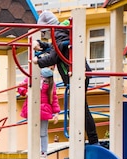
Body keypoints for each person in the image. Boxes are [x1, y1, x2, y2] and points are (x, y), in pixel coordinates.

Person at [32, 11, 99, 145]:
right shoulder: (60, 33)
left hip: (77, 76)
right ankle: (83, 140)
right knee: (77, 108)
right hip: (77, 75)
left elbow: (53, 56)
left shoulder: (58, 35)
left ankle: (92, 141)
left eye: (43, 32)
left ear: (47, 28)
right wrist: (42, 45)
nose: (44, 35)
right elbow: (56, 48)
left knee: (80, 108)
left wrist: (37, 61)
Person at [19, 67, 60, 159]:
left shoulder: (50, 83)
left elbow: (54, 98)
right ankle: (37, 152)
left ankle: (43, 153)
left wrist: (56, 113)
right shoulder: (32, 78)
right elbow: (21, 87)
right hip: (35, 108)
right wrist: (26, 92)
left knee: (42, 132)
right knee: (37, 132)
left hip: (42, 109)